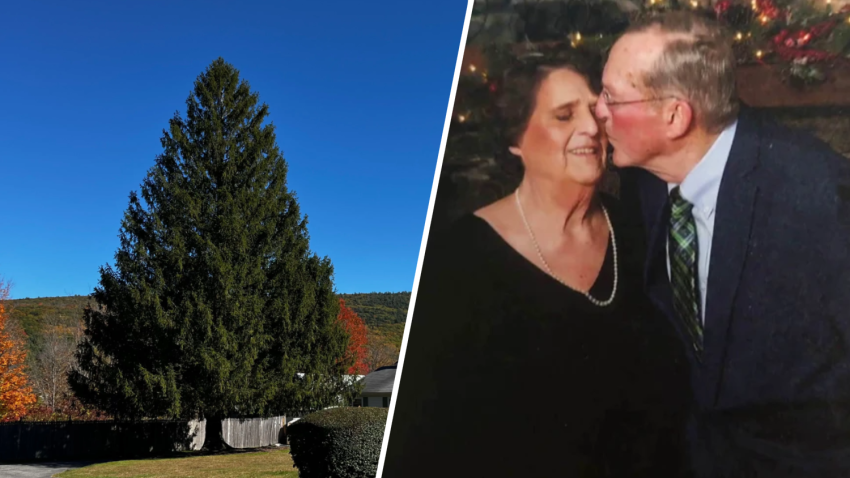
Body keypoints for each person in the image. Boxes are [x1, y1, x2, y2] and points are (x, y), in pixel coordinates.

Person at [380, 54, 691, 477]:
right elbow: (422, 438)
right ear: (516, 138)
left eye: (596, 111)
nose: (591, 127)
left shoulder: (638, 230)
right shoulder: (460, 259)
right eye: (564, 116)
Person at [597, 10, 850, 478]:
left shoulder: (815, 193)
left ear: (674, 117)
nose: (598, 112)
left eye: (612, 98)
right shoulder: (645, 180)